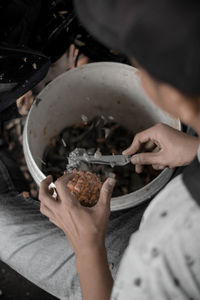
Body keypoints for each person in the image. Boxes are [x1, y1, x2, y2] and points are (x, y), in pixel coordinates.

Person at [0, 1, 200, 300]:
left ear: (171, 96)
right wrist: (194, 148)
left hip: (119, 263)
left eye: (139, 62)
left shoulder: (162, 264)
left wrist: (88, 247)